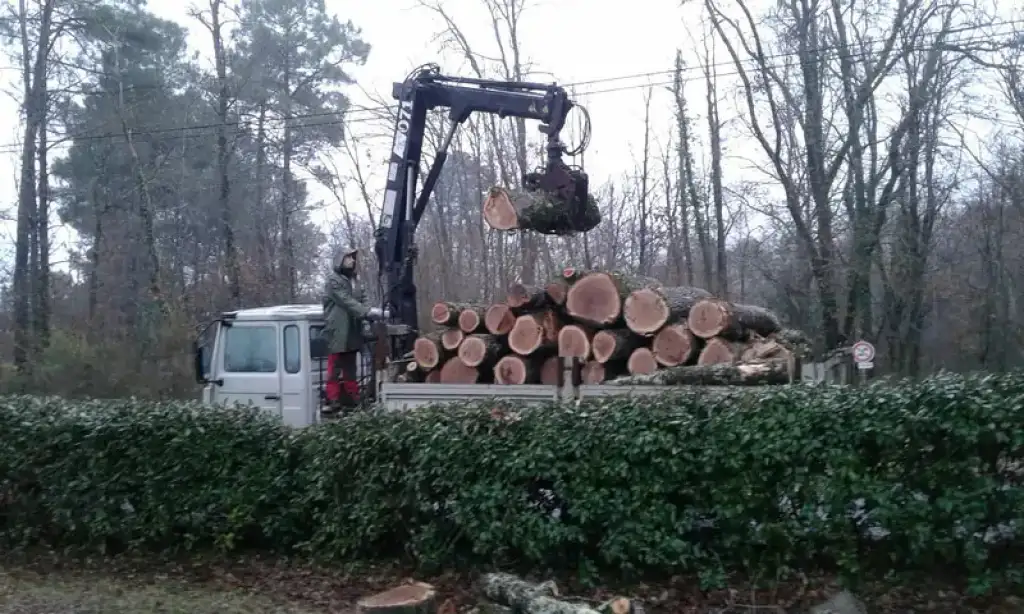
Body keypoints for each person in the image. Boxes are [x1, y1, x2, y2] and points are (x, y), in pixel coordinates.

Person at [321, 247, 382, 412]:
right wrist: (365, 312)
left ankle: (353, 396)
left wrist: (368, 311)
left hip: (353, 331)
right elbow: (345, 301)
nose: (352, 261)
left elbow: (363, 298)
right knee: (334, 368)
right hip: (337, 331)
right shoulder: (333, 281)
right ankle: (332, 398)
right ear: (340, 260)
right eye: (348, 258)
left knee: (351, 368)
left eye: (353, 258)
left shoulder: (355, 280)